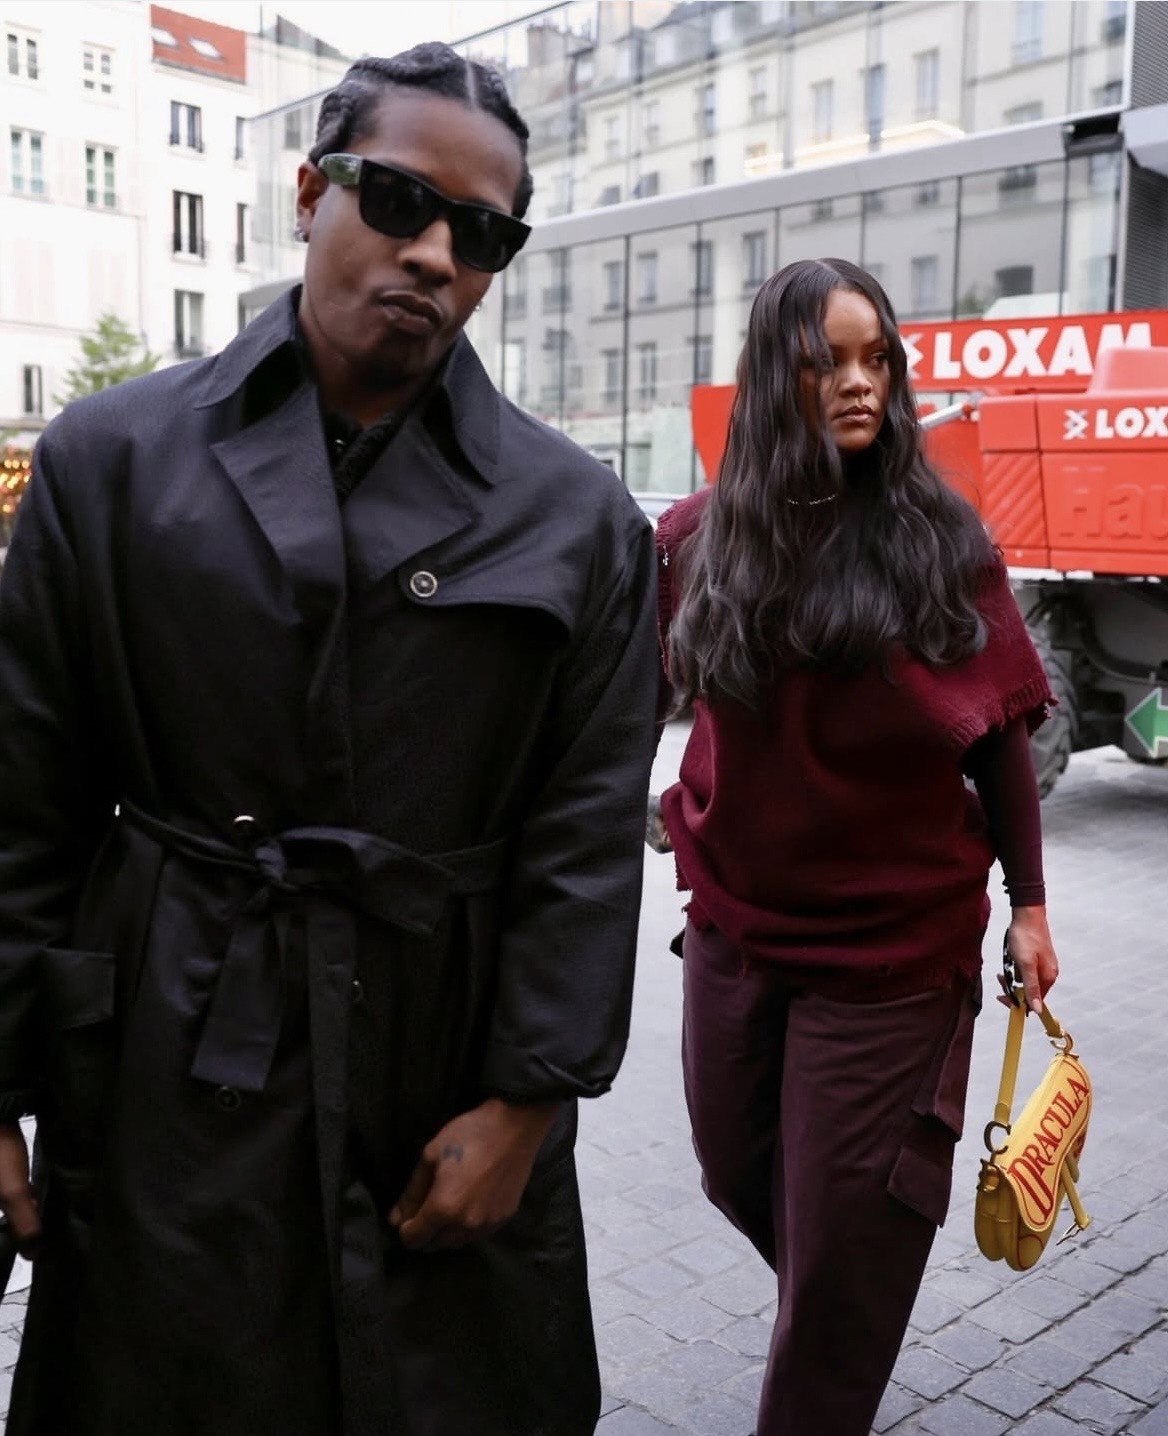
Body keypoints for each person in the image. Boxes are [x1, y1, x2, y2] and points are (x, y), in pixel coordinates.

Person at [0, 44, 659, 1436]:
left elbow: (587, 838)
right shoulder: (112, 460)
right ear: (310, 194)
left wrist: (528, 1108)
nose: (434, 254)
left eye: (480, 235)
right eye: (399, 201)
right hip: (172, 1050)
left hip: (438, 1068)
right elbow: (23, 797)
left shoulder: (579, 518)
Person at [653, 257, 1060, 1436]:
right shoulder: (696, 541)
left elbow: (999, 738)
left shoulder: (938, 540)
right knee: (738, 1172)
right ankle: (841, 1302)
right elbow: (632, 712)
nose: (858, 382)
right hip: (736, 929)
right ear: (771, 373)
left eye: (877, 358)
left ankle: (832, 1338)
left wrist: (1030, 906)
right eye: (826, 359)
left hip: (892, 955)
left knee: (841, 1256)